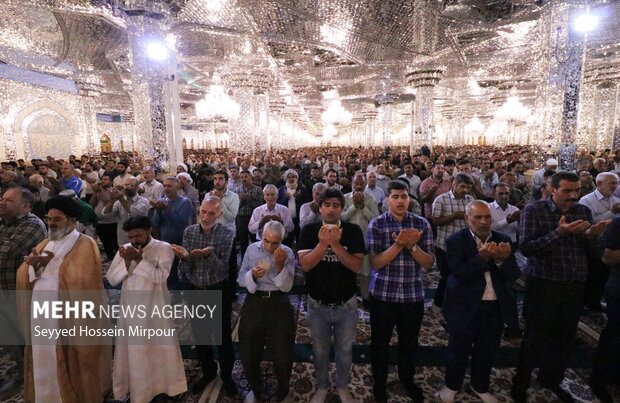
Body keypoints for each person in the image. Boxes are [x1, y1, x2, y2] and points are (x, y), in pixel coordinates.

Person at [511, 172, 610, 403]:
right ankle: (521, 383)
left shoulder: (582, 212)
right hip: (544, 283)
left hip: (574, 284)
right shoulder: (534, 211)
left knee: (564, 338)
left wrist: (592, 236)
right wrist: (558, 233)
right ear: (552, 189)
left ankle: (550, 379)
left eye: (577, 191)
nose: (573, 196)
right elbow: (526, 248)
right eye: (567, 191)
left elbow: (590, 252)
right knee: (535, 338)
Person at [16, 196, 111, 403]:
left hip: (68, 316)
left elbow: (84, 281)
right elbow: (27, 275)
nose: (51, 223)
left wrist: (54, 263)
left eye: (57, 219)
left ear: (71, 220)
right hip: (41, 314)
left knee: (72, 361)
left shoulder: (85, 244)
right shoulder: (45, 242)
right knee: (43, 358)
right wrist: (34, 266)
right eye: (48, 218)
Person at [435, 200, 520, 403]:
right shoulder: (456, 241)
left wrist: (501, 260)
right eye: (478, 217)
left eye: (487, 217)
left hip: (495, 306)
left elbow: (514, 275)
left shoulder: (503, 239)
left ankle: (479, 385)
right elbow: (459, 274)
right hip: (464, 305)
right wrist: (482, 258)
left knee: (487, 350)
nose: (483, 222)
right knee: (458, 349)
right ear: (467, 219)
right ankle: (452, 385)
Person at [366, 180, 435, 403]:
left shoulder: (422, 224)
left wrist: (413, 246)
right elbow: (376, 263)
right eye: (395, 197)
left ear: (409, 199)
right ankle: (380, 383)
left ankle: (407, 379)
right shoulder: (376, 225)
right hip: (383, 294)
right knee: (380, 342)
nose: (400, 201)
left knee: (409, 342)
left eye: (404, 197)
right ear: (386, 200)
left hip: (412, 295)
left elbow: (428, 264)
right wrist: (399, 245)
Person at [107, 216, 187, 403]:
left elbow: (160, 277)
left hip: (155, 307)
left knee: (158, 350)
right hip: (131, 308)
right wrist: (127, 264)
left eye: (138, 235)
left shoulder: (164, 248)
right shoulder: (125, 250)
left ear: (149, 230)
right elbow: (111, 279)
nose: (134, 240)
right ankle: (138, 390)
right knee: (135, 351)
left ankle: (163, 387)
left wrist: (139, 261)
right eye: (131, 237)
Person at [298, 188, 365, 403]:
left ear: (341, 209)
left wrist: (335, 244)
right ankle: (322, 386)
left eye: (336, 205)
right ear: (320, 207)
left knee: (344, 350)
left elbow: (355, 266)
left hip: (346, 304)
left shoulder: (353, 231)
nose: (330, 209)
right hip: (317, 304)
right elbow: (306, 265)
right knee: (320, 350)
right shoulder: (309, 231)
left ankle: (343, 385)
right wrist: (323, 244)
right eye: (327, 205)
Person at [171, 196, 238, 396]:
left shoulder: (227, 234)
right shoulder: (189, 232)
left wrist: (209, 256)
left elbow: (224, 270)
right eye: (203, 212)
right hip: (195, 291)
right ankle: (208, 373)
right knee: (200, 336)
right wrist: (184, 258)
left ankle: (227, 376)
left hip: (217, 291)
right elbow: (186, 269)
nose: (206, 217)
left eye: (211, 213)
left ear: (219, 214)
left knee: (222, 338)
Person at [237, 221, 296, 403]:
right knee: (249, 347)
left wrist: (280, 266)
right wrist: (253, 275)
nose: (270, 246)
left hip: (278, 302)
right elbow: (240, 279)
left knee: (282, 350)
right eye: (266, 240)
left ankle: (283, 390)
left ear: (282, 240)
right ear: (261, 236)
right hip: (255, 301)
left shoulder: (287, 253)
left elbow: (287, 287)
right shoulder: (252, 249)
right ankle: (256, 388)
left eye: (275, 242)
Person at [0, 187, 47, 397]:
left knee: (25, 336)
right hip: (3, 290)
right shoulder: (5, 223)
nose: (2, 202)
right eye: (2, 199)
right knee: (9, 336)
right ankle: (20, 369)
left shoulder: (32, 224)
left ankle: (31, 375)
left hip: (21, 294)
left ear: (25, 206)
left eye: (8, 201)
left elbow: (5, 254)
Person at [432, 174, 475, 309]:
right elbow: (436, 221)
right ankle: (438, 303)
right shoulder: (441, 200)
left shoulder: (470, 200)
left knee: (463, 275)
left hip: (464, 245)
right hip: (445, 245)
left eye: (468, 187)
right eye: (462, 186)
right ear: (454, 184)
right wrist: (454, 216)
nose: (465, 190)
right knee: (447, 276)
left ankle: (456, 302)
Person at [589, 216, 620, 403]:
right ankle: (599, 379)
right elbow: (607, 257)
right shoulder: (617, 224)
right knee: (614, 336)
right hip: (619, 289)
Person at [578, 172, 620, 311]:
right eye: (611, 183)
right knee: (591, 275)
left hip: (609, 244)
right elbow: (587, 224)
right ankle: (583, 303)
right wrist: (612, 213)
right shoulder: (587, 200)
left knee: (604, 275)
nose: (615, 186)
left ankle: (595, 302)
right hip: (592, 244)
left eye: (616, 183)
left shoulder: (615, 200)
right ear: (599, 183)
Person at [341, 173, 380, 305]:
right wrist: (354, 206)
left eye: (361, 184)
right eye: (356, 184)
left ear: (365, 185)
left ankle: (365, 298)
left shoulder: (371, 199)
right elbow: (342, 218)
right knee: (348, 270)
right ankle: (348, 296)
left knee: (365, 272)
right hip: (347, 241)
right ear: (351, 183)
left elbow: (375, 220)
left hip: (365, 240)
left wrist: (363, 207)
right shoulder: (345, 198)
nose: (358, 187)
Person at [152, 176, 194, 289]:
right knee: (168, 269)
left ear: (177, 186)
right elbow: (155, 223)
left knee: (181, 270)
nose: (166, 188)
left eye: (169, 186)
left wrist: (166, 209)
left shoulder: (185, 202)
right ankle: (172, 294)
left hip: (180, 240)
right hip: (165, 241)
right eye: (164, 186)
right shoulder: (161, 201)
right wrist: (158, 210)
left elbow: (180, 222)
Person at [102, 177, 150, 245]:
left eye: (130, 185)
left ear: (137, 187)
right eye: (125, 185)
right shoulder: (119, 202)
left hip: (139, 240)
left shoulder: (144, 201)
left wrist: (121, 198)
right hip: (123, 239)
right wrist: (112, 200)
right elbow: (106, 214)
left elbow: (135, 213)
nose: (127, 188)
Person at [235, 170, 264, 259]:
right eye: (242, 177)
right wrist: (241, 201)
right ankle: (245, 259)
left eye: (246, 177)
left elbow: (260, 206)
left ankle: (256, 259)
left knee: (255, 240)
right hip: (241, 218)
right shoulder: (237, 190)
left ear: (250, 177)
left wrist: (249, 199)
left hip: (253, 219)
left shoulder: (258, 190)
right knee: (243, 241)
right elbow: (235, 207)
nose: (244, 179)